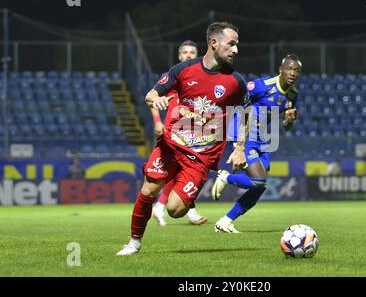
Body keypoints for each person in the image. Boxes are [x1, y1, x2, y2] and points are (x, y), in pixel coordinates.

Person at [117, 21, 248, 256]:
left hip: (201, 157)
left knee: (175, 210)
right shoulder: (183, 70)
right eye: (232, 44)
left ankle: (183, 193)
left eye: (237, 45)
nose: (236, 50)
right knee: (148, 190)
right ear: (214, 43)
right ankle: (134, 243)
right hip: (172, 145)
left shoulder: (235, 82)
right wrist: (155, 100)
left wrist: (239, 148)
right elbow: (152, 94)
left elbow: (245, 115)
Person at [211, 54, 302, 233]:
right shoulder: (262, 86)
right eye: (289, 69)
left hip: (262, 139)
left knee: (260, 186)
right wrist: (239, 143)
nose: (292, 73)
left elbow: (286, 126)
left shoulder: (292, 94)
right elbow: (238, 102)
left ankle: (226, 221)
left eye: (296, 70)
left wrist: (290, 121)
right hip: (245, 135)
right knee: (258, 180)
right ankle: (225, 177)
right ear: (280, 70)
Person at [150, 40, 208, 226]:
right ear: (179, 56)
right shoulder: (172, 77)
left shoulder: (200, 79)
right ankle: (185, 211)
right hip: (173, 132)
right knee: (185, 171)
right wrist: (157, 121)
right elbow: (152, 98)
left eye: (192, 52)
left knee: (180, 173)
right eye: (185, 52)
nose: (189, 55)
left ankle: (161, 207)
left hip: (192, 132)